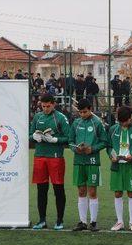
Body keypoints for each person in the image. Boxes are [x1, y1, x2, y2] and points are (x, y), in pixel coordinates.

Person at [29, 94, 70, 230]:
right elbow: (30, 134)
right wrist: (34, 136)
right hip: (39, 156)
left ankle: (59, 220)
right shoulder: (37, 117)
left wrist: (55, 140)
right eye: (43, 106)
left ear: (53, 104)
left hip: (55, 157)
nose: (46, 109)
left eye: (48, 106)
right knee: (41, 190)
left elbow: (69, 137)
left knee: (58, 189)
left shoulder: (60, 118)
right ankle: (42, 220)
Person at [68, 99, 107, 232]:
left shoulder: (97, 123)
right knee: (81, 191)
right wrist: (75, 149)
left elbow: (104, 142)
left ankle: (93, 222)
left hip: (92, 162)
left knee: (92, 191)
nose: (83, 114)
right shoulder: (76, 123)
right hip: (79, 161)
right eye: (80, 112)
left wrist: (92, 149)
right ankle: (82, 222)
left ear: (90, 109)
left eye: (85, 111)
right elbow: (70, 141)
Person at [107, 106, 132, 232]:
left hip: (130, 165)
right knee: (117, 192)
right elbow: (109, 146)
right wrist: (112, 156)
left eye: (125, 121)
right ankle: (120, 221)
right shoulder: (112, 130)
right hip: (117, 165)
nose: (123, 124)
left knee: (131, 192)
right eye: (121, 122)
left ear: (130, 118)